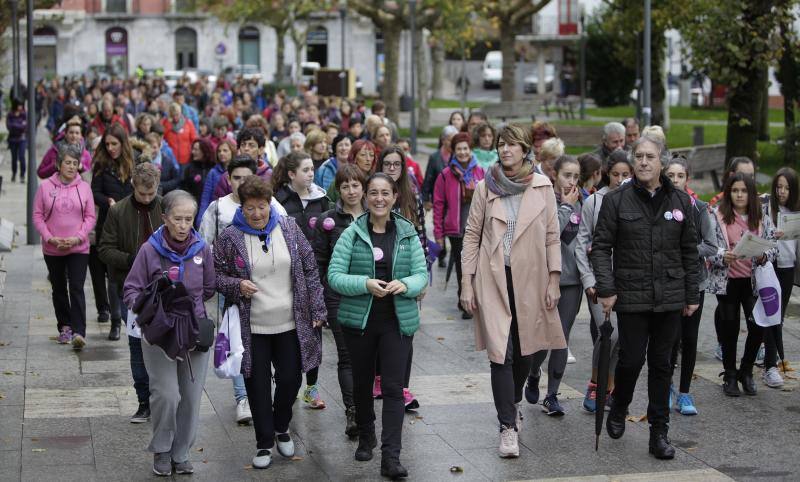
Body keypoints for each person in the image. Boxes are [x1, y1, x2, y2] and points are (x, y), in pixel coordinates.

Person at [591, 133, 700, 460]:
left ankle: (659, 432)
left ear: (662, 162)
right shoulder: (616, 200)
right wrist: (607, 288)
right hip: (633, 293)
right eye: (638, 156)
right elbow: (600, 248)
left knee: (662, 364)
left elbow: (689, 251)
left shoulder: (680, 201)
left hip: (669, 295)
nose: (642, 161)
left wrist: (691, 293)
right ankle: (619, 405)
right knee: (631, 359)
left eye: (650, 156)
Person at [460, 124, 565, 458]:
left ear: (524, 150)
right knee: (499, 353)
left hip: (532, 279)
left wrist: (553, 278)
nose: (505, 150)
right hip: (493, 278)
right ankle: (507, 426)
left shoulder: (542, 186)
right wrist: (466, 281)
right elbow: (472, 236)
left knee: (526, 351)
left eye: (511, 145)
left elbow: (552, 235)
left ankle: (514, 402)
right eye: (501, 145)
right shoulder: (484, 187)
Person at [214, 176, 325, 470]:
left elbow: (310, 267)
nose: (257, 214)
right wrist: (237, 285)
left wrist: (317, 307)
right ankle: (264, 443)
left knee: (291, 378)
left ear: (269, 204)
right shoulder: (229, 238)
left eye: (261, 207)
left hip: (291, 320)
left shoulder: (288, 228)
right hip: (253, 327)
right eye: (250, 208)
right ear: (242, 207)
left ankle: (281, 425)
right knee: (257, 386)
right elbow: (216, 278)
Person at [327, 173, 428, 479]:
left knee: (395, 388)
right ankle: (367, 433)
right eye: (373, 193)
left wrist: (406, 284)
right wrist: (364, 283)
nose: (379, 198)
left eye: (385, 193)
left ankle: (391, 457)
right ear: (366, 197)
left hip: (397, 321)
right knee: (362, 383)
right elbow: (334, 275)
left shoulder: (407, 232)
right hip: (360, 321)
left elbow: (421, 275)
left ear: (395, 196)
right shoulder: (352, 233)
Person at [123, 190, 215, 477]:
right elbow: (131, 289)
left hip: (193, 335)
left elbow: (209, 288)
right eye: (178, 219)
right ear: (164, 218)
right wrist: (150, 309)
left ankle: (181, 453)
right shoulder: (149, 250)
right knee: (166, 394)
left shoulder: (201, 249)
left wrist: (192, 310)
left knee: (189, 398)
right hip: (160, 335)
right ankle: (162, 449)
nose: (184, 225)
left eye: (189, 219)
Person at [98, 163, 163, 424]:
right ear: (133, 187)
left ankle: (164, 396)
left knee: (163, 343)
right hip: (130, 288)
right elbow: (104, 249)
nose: (147, 199)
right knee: (137, 345)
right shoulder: (119, 211)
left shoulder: (165, 207)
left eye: (151, 194)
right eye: (142, 194)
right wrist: (130, 258)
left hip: (162, 288)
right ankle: (144, 401)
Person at [707, 173, 776, 397]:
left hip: (754, 281)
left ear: (751, 193)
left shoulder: (762, 216)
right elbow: (710, 247)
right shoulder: (718, 215)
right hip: (728, 281)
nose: (739, 195)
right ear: (729, 193)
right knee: (730, 328)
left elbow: (773, 245)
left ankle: (746, 371)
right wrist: (721, 255)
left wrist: (764, 255)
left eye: (744, 191)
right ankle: (729, 374)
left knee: (757, 326)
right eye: (735, 190)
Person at [524, 155, 582, 415]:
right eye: (567, 175)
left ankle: (552, 395)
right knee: (541, 337)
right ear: (554, 175)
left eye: (576, 177)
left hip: (572, 281)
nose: (571, 181)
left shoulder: (584, 203)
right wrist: (566, 207)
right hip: (544, 278)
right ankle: (534, 371)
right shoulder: (543, 199)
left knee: (561, 338)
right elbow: (549, 235)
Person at [272, 151, 330, 409]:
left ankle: (312, 387)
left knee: (315, 329)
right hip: (286, 276)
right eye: (305, 170)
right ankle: (287, 379)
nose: (310, 174)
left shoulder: (322, 199)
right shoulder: (279, 201)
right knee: (289, 331)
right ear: (291, 174)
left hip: (316, 273)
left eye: (311, 169)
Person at [313, 164, 367, 438]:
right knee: (347, 355)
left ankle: (365, 406)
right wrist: (320, 299)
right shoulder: (328, 221)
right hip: (338, 296)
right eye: (345, 186)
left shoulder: (377, 216)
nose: (351, 191)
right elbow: (318, 263)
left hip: (371, 295)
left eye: (355, 185)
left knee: (369, 356)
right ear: (338, 190)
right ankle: (353, 411)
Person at [575, 151, 631, 412]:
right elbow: (582, 243)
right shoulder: (594, 202)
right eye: (616, 174)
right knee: (610, 332)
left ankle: (609, 387)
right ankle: (595, 383)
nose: (620, 179)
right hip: (599, 281)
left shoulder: (634, 201)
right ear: (608, 173)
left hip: (628, 281)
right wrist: (588, 281)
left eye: (625, 174)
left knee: (622, 339)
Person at [663, 157, 718, 415]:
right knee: (668, 338)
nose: (675, 180)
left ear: (688, 179)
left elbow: (711, 245)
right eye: (671, 175)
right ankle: (665, 388)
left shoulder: (699, 208)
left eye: (680, 176)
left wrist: (685, 250)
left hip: (695, 280)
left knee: (690, 337)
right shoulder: (658, 205)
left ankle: (684, 392)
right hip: (668, 282)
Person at [32, 143, 96, 350]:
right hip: (53, 248)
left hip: (78, 247)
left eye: (75, 163)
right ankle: (65, 327)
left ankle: (79, 331)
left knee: (76, 287)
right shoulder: (45, 187)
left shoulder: (84, 188)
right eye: (67, 162)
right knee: (59, 288)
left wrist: (78, 237)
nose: (71, 166)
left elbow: (90, 216)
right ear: (59, 164)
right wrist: (50, 238)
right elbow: (37, 216)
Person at [433, 132, 485, 319]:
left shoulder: (480, 172)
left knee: (479, 266)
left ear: (470, 150)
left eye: (466, 148)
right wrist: (438, 233)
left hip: (478, 228)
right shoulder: (446, 175)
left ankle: (477, 298)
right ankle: (465, 301)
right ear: (453, 151)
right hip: (456, 230)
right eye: (459, 149)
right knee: (463, 267)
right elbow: (438, 205)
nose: (462, 152)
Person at [92, 123, 136, 340]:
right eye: (107, 144)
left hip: (129, 225)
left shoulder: (133, 161)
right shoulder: (101, 165)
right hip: (108, 224)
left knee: (130, 272)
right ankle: (115, 321)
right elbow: (94, 192)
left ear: (122, 143)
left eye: (114, 144)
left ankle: (133, 316)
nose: (110, 148)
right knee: (112, 275)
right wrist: (107, 200)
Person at [762, 167, 800, 388]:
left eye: (787, 188)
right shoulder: (767, 208)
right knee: (770, 315)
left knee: (778, 316)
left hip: (787, 267)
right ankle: (770, 364)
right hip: (769, 265)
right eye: (779, 187)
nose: (782, 192)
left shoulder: (796, 211)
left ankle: (770, 359)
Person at [198, 139, 236, 220]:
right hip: (214, 213)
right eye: (219, 151)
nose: (221, 153)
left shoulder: (237, 172)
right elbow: (206, 196)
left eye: (225, 150)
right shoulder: (213, 172)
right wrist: (201, 217)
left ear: (232, 152)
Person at [180, 138, 215, 209]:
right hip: (193, 207)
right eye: (193, 149)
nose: (193, 152)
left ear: (205, 151)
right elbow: (183, 188)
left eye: (196, 149)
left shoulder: (214, 168)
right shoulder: (189, 168)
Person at [162, 102, 198, 166]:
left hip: (186, 159)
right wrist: (168, 124)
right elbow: (162, 138)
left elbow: (194, 140)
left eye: (177, 114)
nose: (175, 117)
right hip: (170, 160)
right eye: (173, 115)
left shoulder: (188, 123)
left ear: (180, 113)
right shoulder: (165, 123)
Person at [6, 97, 27, 183]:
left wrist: (15, 125)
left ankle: (22, 175)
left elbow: (25, 127)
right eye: (19, 105)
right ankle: (14, 173)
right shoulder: (10, 114)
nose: (21, 107)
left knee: (22, 157)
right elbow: (9, 126)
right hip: (12, 139)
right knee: (14, 158)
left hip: (22, 139)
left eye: (21, 105)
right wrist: (19, 125)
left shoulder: (24, 114)